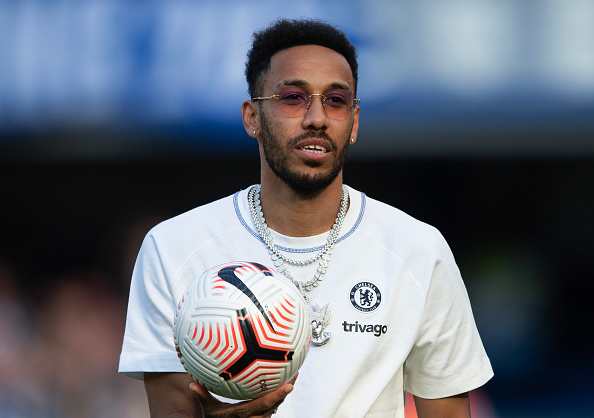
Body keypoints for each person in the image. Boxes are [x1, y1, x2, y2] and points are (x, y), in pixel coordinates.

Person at [119, 18, 493, 417]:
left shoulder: (418, 249)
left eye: (336, 100)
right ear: (252, 117)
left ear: (354, 122)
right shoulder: (173, 247)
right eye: (293, 98)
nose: (317, 117)